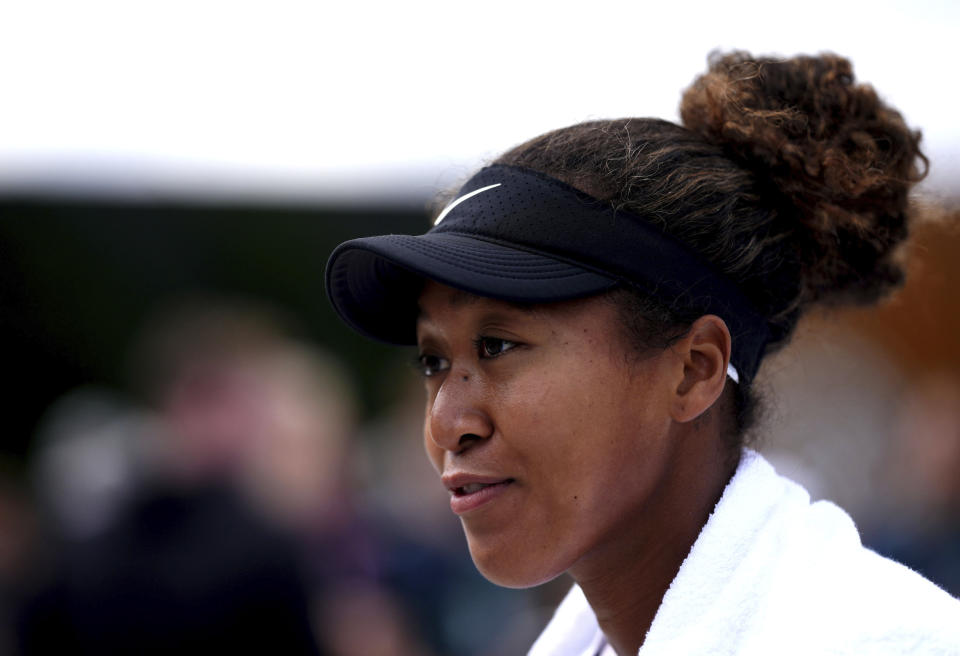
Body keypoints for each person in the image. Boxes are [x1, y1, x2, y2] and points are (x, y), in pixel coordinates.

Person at [324, 52, 960, 655]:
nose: (445, 423)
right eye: (434, 361)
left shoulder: (878, 641)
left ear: (694, 370)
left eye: (498, 346)